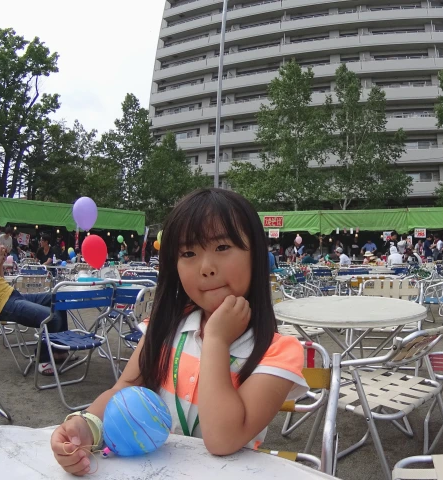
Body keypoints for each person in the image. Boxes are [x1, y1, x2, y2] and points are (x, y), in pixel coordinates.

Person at [50, 189, 308, 469]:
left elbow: (223, 439)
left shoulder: (278, 353)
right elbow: (125, 387)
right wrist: (87, 427)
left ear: (255, 255)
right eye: (188, 252)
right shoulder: (163, 329)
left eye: (222, 247)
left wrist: (217, 340)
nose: (206, 267)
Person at [0, 212, 70, 375]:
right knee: (51, 317)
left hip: (11, 295)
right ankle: (43, 359)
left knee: (59, 298)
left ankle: (59, 350)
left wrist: (0, 263)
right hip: (2, 306)